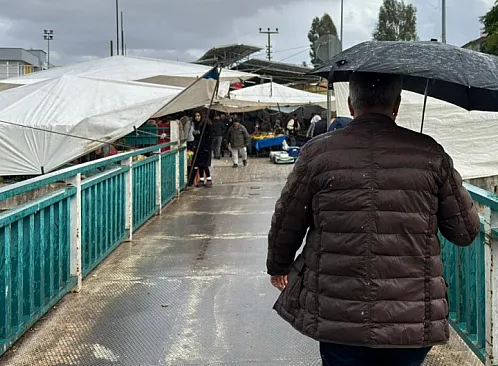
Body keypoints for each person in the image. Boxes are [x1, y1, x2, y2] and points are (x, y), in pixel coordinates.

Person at [266, 72, 480, 366]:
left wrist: (278, 266)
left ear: (352, 105)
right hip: (411, 316)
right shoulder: (430, 153)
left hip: (337, 313)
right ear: (397, 105)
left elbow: (287, 219)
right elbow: (465, 232)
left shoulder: (317, 153)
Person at [187, 112, 213, 187]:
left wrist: (207, 146)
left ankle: (209, 179)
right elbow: (196, 136)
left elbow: (210, 136)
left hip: (205, 148)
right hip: (198, 147)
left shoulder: (206, 124)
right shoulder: (196, 125)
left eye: (198, 116)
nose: (197, 118)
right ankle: (201, 179)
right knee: (199, 164)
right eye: (196, 116)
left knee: (205, 164)